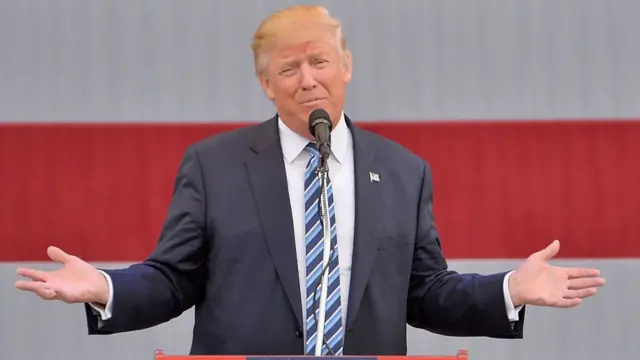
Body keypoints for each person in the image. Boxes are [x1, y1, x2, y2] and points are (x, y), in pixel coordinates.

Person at [14, 5, 604, 356]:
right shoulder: (214, 165)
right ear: (266, 85)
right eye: (287, 69)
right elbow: (172, 279)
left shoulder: (401, 171)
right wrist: (105, 289)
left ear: (346, 67)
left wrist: (509, 291)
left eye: (319, 61)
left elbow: (424, 293)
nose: (307, 79)